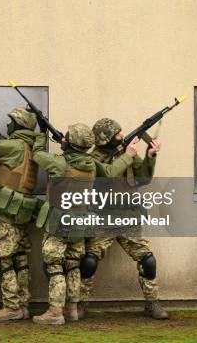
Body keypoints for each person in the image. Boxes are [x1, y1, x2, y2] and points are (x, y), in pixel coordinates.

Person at [79, 118, 168, 320]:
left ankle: (152, 303)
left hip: (129, 218)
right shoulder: (93, 159)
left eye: (121, 133)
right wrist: (128, 155)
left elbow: (143, 178)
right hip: (104, 219)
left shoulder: (124, 153)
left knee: (148, 260)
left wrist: (150, 157)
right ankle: (80, 303)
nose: (122, 136)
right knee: (89, 261)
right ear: (105, 139)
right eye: (117, 134)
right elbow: (107, 174)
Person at [31, 122, 96, 325]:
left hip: (59, 222)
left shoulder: (60, 164)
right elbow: (75, 158)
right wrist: (66, 145)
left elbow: (38, 154)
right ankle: (72, 309)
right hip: (80, 222)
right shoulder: (91, 165)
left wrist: (42, 133)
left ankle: (55, 312)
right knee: (73, 265)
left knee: (55, 266)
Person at [0, 108, 39, 321]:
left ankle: (11, 306)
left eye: (11, 121)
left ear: (20, 124)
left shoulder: (13, 146)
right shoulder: (29, 146)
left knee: (3, 257)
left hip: (8, 211)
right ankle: (23, 303)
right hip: (22, 209)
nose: (8, 124)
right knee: (19, 258)